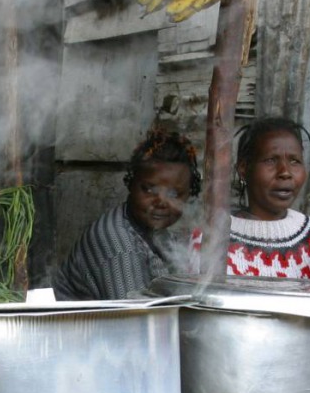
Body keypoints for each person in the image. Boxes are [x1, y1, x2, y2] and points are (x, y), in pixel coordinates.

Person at [53, 125, 200, 300]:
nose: (161, 202)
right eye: (149, 189)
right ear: (131, 184)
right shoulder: (121, 248)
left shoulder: (154, 231)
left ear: (188, 195)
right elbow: (135, 318)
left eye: (173, 194)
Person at [224, 116, 310, 278]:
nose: (285, 172)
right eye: (271, 160)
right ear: (244, 169)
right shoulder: (212, 239)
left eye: (294, 161)